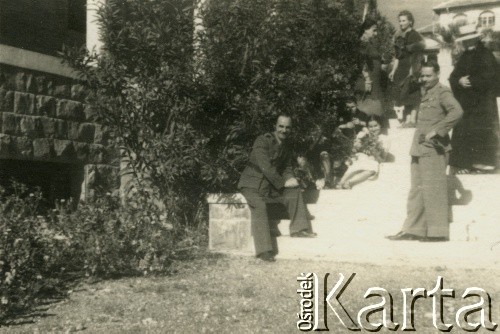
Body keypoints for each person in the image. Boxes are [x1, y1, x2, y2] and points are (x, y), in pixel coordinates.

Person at [386, 60, 463, 242]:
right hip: (419, 148)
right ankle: (413, 229)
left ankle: (437, 233)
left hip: (434, 148)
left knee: (433, 189)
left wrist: (437, 131)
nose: (425, 79)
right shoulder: (424, 91)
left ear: (437, 75)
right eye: (422, 75)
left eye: (429, 75)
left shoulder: (442, 92)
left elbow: (457, 112)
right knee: (417, 190)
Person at [238, 115, 316, 262]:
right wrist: (282, 183)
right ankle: (264, 251)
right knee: (260, 206)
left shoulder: (286, 147)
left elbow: (286, 167)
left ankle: (299, 229)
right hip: (251, 185)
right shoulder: (263, 140)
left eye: (287, 127)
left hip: (270, 187)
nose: (284, 130)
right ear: (275, 126)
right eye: (281, 126)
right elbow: (265, 166)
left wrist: (290, 178)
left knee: (293, 191)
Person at [448, 30, 499, 174]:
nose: (465, 43)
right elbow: (453, 76)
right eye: (464, 40)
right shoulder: (465, 56)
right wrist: (459, 81)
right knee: (465, 129)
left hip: (483, 103)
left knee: (482, 130)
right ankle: (465, 163)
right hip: (467, 102)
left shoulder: (485, 54)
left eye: (468, 40)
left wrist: (470, 81)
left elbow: (490, 77)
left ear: (475, 39)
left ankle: (484, 164)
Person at [388, 10, 425, 128]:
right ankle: (406, 119)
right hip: (401, 68)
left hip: (411, 67)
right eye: (399, 21)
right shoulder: (398, 35)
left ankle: (412, 119)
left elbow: (417, 56)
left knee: (412, 92)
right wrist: (393, 70)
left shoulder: (415, 35)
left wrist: (413, 71)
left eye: (403, 20)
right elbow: (397, 56)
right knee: (402, 94)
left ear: (410, 21)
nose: (401, 23)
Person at [337, 115, 390, 189]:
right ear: (367, 127)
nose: (373, 129)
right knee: (358, 160)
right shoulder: (363, 135)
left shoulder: (384, 139)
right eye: (370, 127)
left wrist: (376, 155)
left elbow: (383, 159)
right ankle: (341, 182)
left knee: (373, 168)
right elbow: (354, 149)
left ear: (380, 125)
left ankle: (350, 182)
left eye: (376, 126)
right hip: (361, 158)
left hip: (373, 160)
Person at [356, 18, 384, 117]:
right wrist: (367, 79)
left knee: (373, 106)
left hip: (374, 79)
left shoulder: (369, 42)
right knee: (366, 105)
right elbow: (361, 61)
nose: (375, 33)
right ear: (365, 30)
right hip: (368, 79)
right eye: (374, 30)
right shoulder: (362, 43)